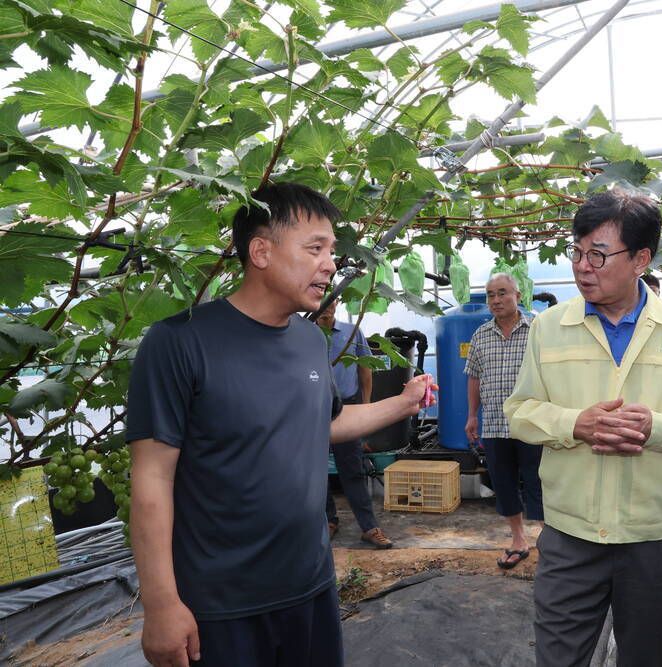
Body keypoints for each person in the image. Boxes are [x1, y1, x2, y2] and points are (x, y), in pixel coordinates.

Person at [126, 182, 436, 667]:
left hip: (308, 586)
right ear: (261, 251)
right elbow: (151, 478)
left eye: (331, 250)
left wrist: (404, 403)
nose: (331, 264)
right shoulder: (178, 343)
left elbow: (324, 424)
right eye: (316, 248)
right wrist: (161, 603)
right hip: (219, 605)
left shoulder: (309, 342)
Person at [504, 188, 662, 666]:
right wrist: (574, 423)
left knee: (647, 658)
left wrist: (657, 428)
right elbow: (520, 410)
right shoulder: (548, 327)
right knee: (559, 658)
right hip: (570, 535)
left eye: (599, 255)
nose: (582, 266)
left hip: (655, 538)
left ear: (641, 259)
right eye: (578, 252)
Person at [464, 272, 541, 570]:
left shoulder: (537, 328)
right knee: (504, 483)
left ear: (517, 296)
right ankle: (518, 540)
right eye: (490, 295)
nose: (495, 300)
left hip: (532, 423)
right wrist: (472, 415)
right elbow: (474, 377)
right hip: (495, 424)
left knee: (539, 481)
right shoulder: (481, 334)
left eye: (502, 293)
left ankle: (548, 539)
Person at [316, 300, 393, 549]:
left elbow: (365, 370)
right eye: (322, 299)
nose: (326, 305)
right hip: (312, 410)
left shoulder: (352, 331)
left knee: (353, 469)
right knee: (315, 471)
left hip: (346, 408)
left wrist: (366, 408)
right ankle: (328, 521)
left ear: (337, 301)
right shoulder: (303, 330)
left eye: (331, 299)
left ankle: (369, 527)